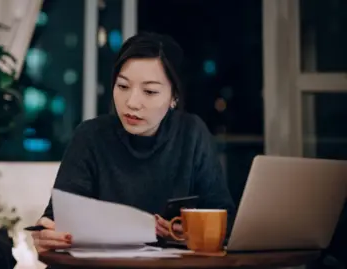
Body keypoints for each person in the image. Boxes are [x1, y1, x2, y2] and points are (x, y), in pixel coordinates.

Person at [31, 32, 236, 253]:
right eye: (122, 86)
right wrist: (47, 234)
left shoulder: (191, 134)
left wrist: (185, 232)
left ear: (174, 96)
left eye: (149, 91)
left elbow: (225, 220)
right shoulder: (90, 136)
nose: (131, 102)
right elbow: (57, 220)